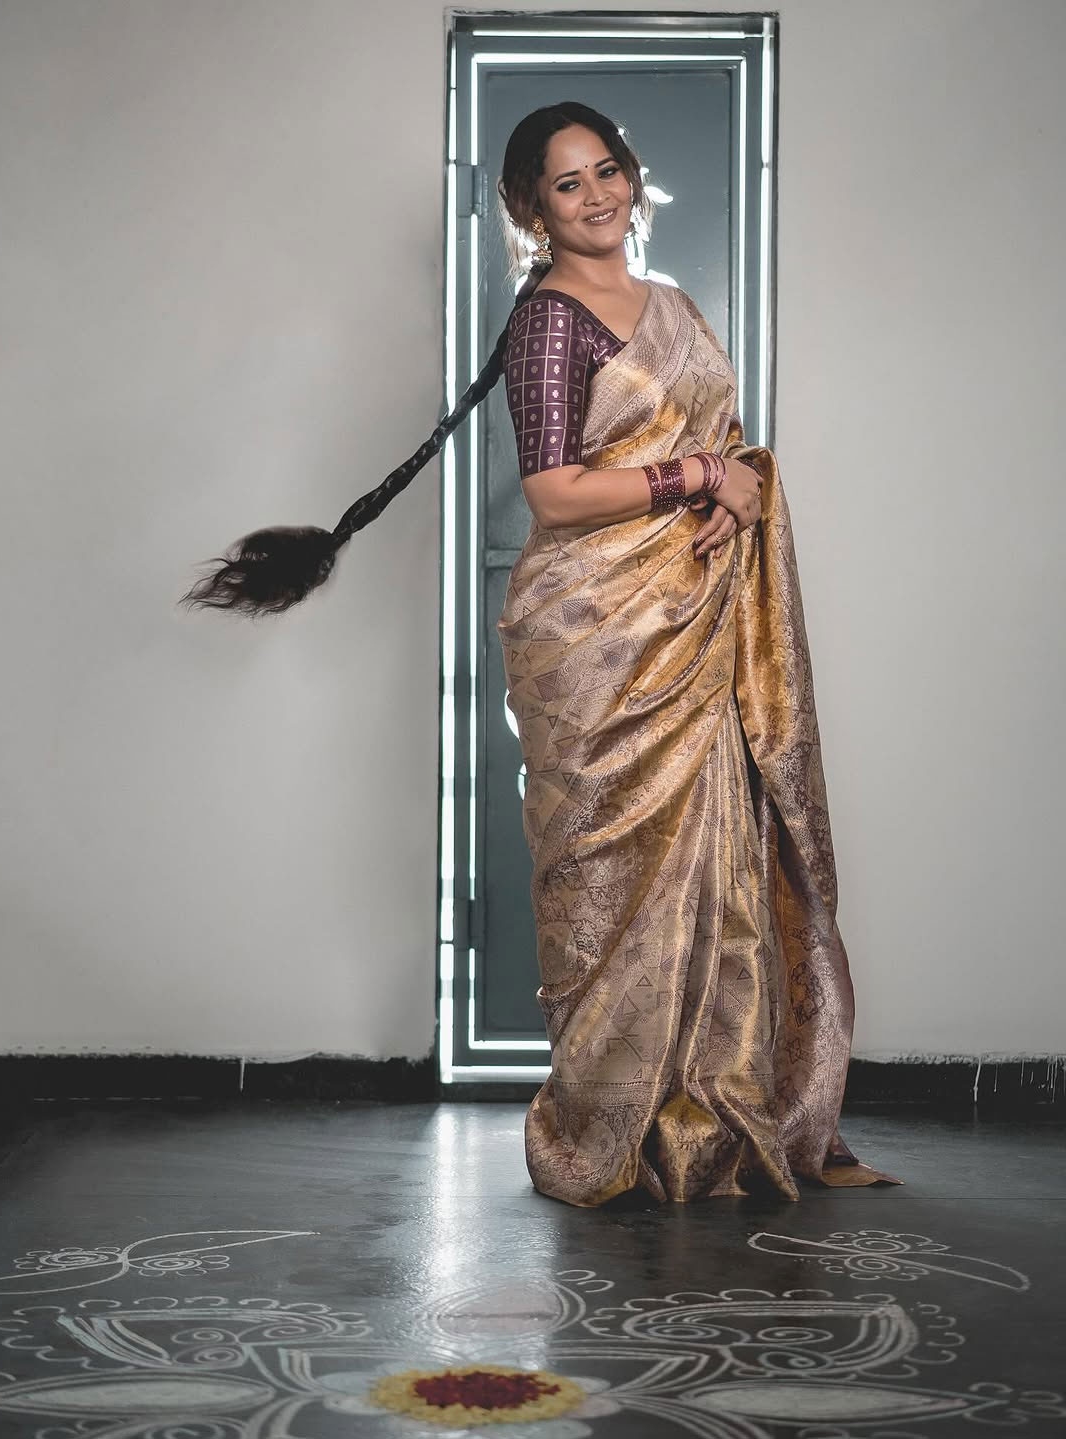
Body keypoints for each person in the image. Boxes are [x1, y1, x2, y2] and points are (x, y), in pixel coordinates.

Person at [181, 99, 899, 1209]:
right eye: (569, 183)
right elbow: (557, 492)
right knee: (613, 885)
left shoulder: (674, 306)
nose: (597, 195)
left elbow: (717, 443)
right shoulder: (551, 324)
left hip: (697, 620)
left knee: (722, 862)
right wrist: (701, 480)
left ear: (632, 176)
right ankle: (614, 1125)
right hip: (597, 634)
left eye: (607, 170)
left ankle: (718, 1110)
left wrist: (736, 490)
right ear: (532, 208)